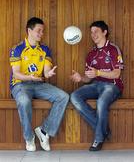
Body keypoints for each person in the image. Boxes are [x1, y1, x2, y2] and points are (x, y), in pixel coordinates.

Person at [9, 17, 69, 152]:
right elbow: (16, 74)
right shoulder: (18, 49)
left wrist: (48, 74)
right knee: (24, 101)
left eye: (43, 31)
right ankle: (29, 137)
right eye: (39, 31)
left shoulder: (45, 50)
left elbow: (46, 71)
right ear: (29, 30)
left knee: (63, 96)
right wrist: (29, 77)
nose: (41, 34)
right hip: (20, 85)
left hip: (38, 84)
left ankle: (44, 131)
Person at [70, 21, 123, 151]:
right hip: (95, 85)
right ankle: (103, 129)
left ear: (104, 32)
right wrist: (81, 78)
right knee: (74, 96)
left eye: (96, 31)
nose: (93, 35)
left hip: (112, 86)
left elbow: (116, 74)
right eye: (91, 32)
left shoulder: (113, 49)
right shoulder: (91, 54)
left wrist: (98, 72)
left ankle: (98, 139)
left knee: (101, 102)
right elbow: (89, 78)